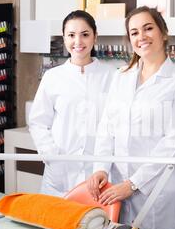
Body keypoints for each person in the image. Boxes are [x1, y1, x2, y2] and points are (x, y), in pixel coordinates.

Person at [86, 6, 175, 229]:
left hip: (159, 190)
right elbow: (107, 128)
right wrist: (100, 168)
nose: (141, 37)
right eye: (134, 32)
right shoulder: (121, 77)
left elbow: (173, 142)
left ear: (163, 32)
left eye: (148, 28)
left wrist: (133, 183)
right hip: (118, 188)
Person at [29, 10, 115, 197]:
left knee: (92, 224)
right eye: (71, 35)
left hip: (97, 175)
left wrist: (103, 166)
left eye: (85, 34)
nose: (78, 42)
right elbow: (38, 122)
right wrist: (51, 155)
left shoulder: (112, 76)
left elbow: (115, 124)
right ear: (64, 38)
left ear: (95, 37)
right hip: (60, 174)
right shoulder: (53, 77)